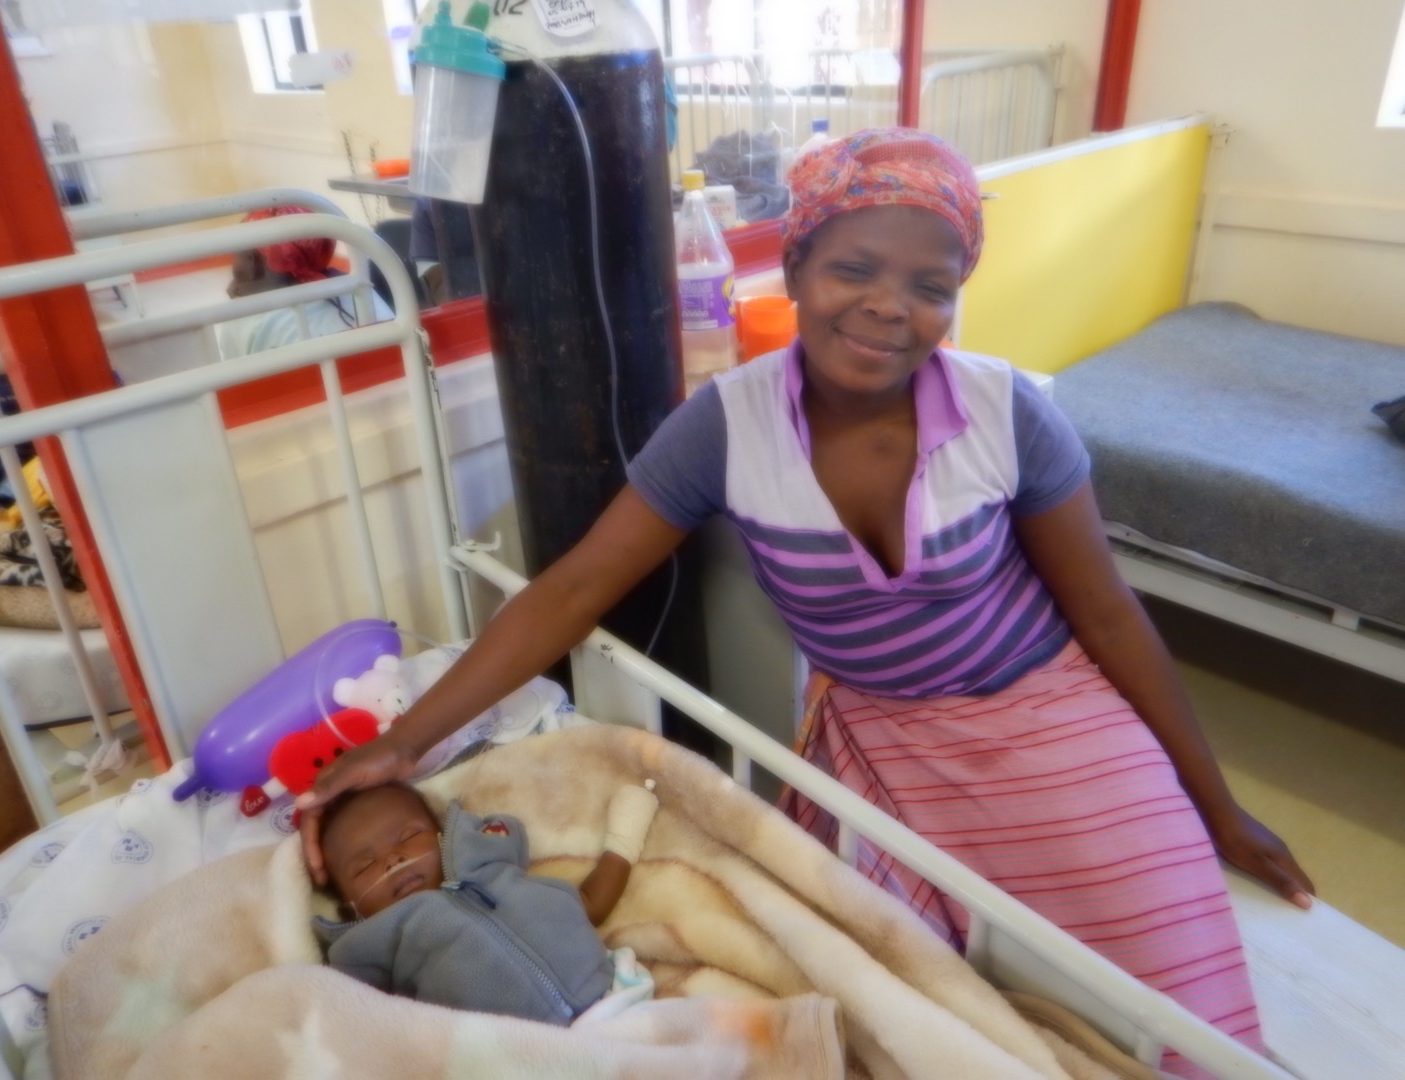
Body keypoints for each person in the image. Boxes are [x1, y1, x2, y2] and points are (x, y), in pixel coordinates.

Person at [298, 128, 1311, 1075]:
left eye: (930, 286)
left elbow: (1109, 616)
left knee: (1180, 1009)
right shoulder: (725, 429)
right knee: (904, 991)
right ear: (793, 270)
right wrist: (406, 743)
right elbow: (572, 588)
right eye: (853, 269)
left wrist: (1215, 807)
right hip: (884, 734)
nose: (888, 307)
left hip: (1046, 709)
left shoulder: (1009, 414)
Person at [315, 778, 659, 1025]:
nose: (393, 859)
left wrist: (623, 842)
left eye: (408, 836)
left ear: (444, 836)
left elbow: (588, 905)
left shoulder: (492, 864)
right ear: (351, 908)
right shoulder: (373, 948)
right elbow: (372, 1023)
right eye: (364, 866)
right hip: (517, 1055)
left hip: (616, 1001)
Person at [214, 205, 393, 360]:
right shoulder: (361, 288)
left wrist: (240, 303)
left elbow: (235, 385)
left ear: (251, 262)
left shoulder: (240, 321)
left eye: (237, 256)